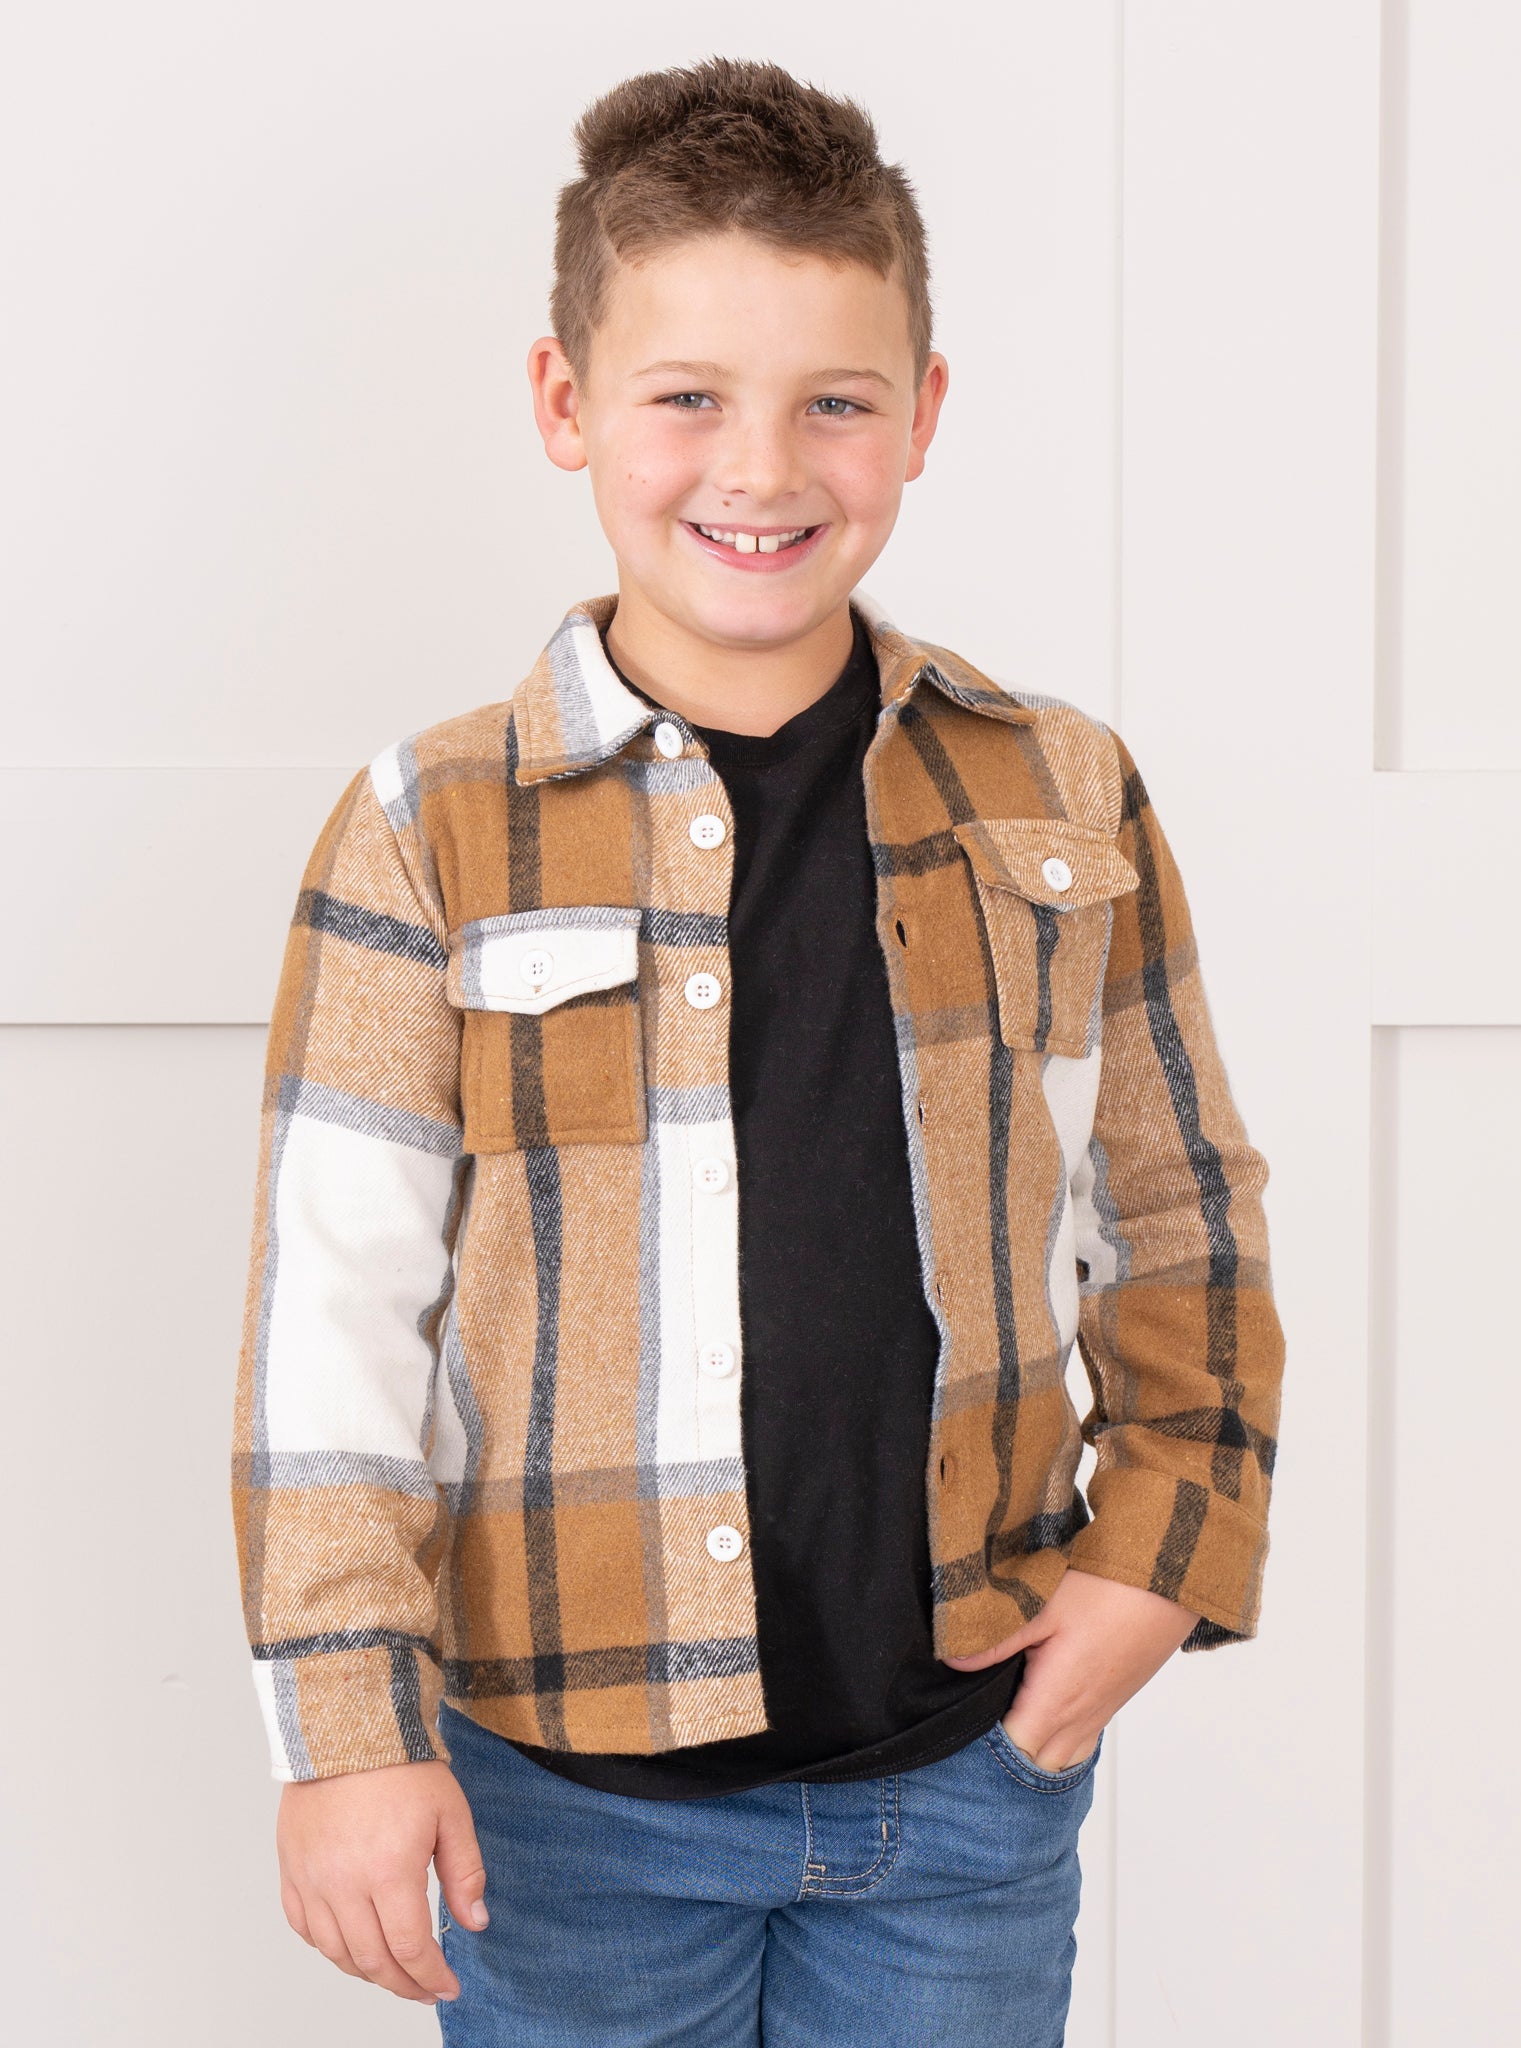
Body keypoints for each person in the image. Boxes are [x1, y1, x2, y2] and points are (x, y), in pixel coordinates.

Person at [231, 55, 1286, 2046]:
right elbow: (334, 1325)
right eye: (688, 398)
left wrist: (1162, 1552)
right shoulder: (429, 826)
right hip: (562, 1822)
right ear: (567, 405)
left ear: (925, 413)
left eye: (835, 403)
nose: (764, 467)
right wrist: (346, 1730)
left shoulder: (1060, 792)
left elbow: (1183, 1213)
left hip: (966, 1785)